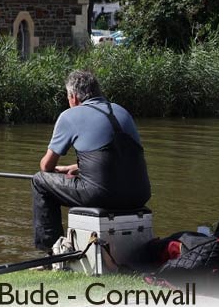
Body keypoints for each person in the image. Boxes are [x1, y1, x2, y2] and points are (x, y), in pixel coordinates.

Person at [32, 69, 151, 252]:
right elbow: (117, 156)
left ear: (73, 96)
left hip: (102, 194)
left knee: (39, 181)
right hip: (140, 193)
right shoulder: (122, 111)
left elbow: (46, 166)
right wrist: (76, 168)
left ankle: (51, 251)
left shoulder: (70, 115)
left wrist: (60, 171)